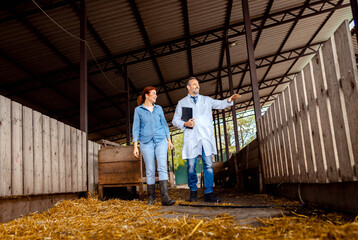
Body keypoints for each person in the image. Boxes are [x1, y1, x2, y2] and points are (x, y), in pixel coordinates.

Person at [172, 77, 240, 202]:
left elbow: (219, 104)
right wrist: (185, 124)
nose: (197, 86)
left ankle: (209, 193)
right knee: (191, 166)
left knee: (208, 165)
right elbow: (175, 120)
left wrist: (229, 99)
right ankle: (193, 192)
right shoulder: (182, 102)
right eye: (194, 84)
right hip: (191, 137)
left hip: (205, 137)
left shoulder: (206, 100)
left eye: (198, 84)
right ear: (188, 87)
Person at [132, 86, 175, 206]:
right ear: (147, 95)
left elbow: (164, 125)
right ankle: (151, 198)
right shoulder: (138, 110)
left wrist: (169, 140)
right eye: (154, 94)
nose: (156, 96)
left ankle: (165, 198)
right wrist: (135, 147)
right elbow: (135, 128)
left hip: (160, 140)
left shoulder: (159, 109)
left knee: (162, 167)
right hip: (146, 142)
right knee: (150, 170)